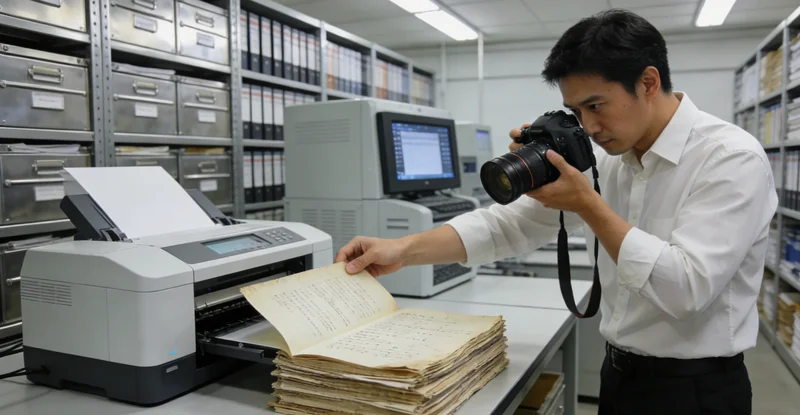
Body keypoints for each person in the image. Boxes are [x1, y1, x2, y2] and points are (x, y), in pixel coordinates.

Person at [334, 8, 777, 415]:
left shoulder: (729, 158)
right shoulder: (607, 156)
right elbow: (510, 225)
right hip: (619, 376)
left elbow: (687, 289)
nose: (589, 126)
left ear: (647, 82)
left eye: (596, 105)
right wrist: (403, 249)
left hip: (697, 391)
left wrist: (588, 204)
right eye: (576, 111)